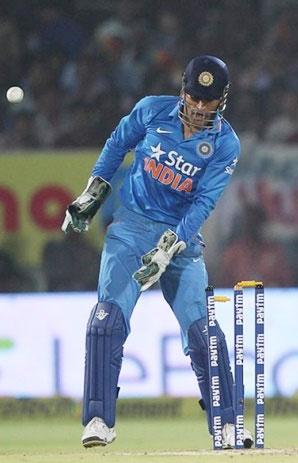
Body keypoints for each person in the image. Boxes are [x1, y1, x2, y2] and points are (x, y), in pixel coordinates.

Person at [61, 55, 251, 449]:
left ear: (222, 99)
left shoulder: (225, 143)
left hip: (180, 241)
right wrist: (95, 190)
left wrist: (171, 246)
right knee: (105, 321)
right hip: (131, 230)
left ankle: (228, 424)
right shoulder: (151, 110)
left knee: (204, 334)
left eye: (209, 100)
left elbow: (203, 203)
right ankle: (98, 419)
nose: (200, 107)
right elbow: (117, 145)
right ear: (183, 90)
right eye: (195, 97)